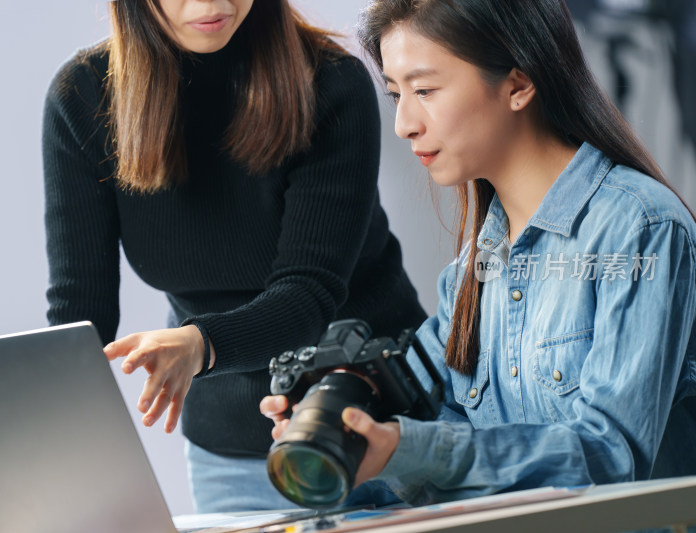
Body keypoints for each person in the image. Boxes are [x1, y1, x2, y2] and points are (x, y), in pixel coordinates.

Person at [262, 0, 696, 507]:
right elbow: (438, 446)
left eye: (424, 90)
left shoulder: (640, 229)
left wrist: (412, 449)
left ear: (517, 84)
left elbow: (611, 455)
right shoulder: (472, 270)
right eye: (396, 94)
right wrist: (346, 439)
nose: (403, 124)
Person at [42, 0, 427, 513]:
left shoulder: (331, 84)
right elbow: (79, 317)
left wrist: (200, 344)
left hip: (375, 426)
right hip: (229, 458)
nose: (211, 5)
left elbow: (309, 295)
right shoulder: (83, 97)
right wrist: (45, 448)